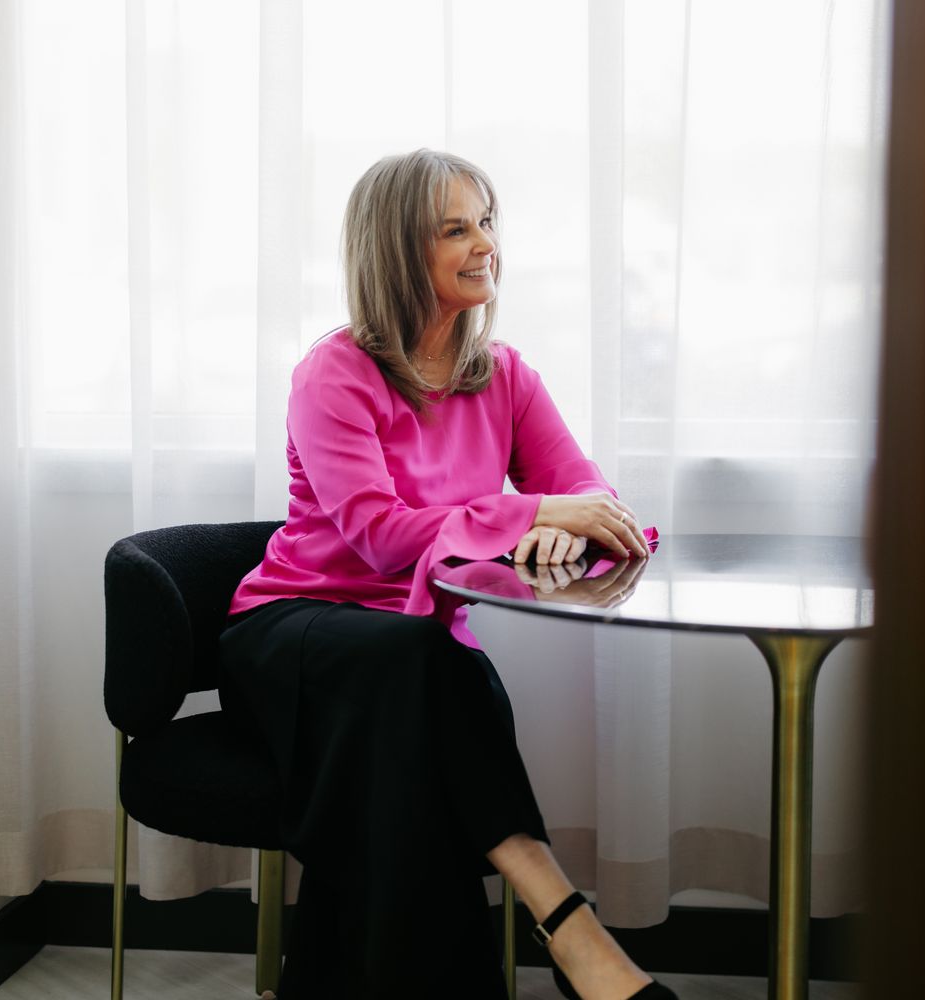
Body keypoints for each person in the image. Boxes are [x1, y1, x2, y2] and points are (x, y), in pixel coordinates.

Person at [219, 149, 674, 1000]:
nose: (485, 245)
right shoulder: (335, 374)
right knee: (435, 668)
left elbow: (591, 498)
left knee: (422, 704)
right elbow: (381, 538)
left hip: (405, 667)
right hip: (294, 635)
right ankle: (571, 926)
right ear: (397, 250)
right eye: (456, 229)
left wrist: (566, 516)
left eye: (489, 222)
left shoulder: (503, 375)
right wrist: (533, 516)